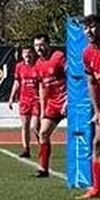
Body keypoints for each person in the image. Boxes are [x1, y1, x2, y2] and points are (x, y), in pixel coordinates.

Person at [31, 34, 66, 178]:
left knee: (81, 133)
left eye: (41, 44)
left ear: (48, 45)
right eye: (36, 46)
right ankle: (43, 169)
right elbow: (42, 87)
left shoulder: (58, 57)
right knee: (42, 133)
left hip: (66, 101)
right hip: (52, 104)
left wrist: (70, 99)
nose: (39, 48)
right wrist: (42, 110)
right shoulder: (38, 64)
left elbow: (73, 76)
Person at [80, 15, 100, 200]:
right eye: (86, 28)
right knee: (97, 142)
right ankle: (96, 188)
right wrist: (97, 110)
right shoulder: (87, 53)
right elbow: (91, 82)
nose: (89, 31)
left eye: (93, 27)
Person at [9, 46, 40, 158]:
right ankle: (26, 149)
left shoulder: (38, 66)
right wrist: (11, 97)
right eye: (25, 53)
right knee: (25, 125)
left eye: (29, 52)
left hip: (37, 100)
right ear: (22, 55)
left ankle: (42, 146)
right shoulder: (19, 67)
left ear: (33, 54)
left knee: (35, 127)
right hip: (24, 100)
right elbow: (17, 82)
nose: (27, 55)